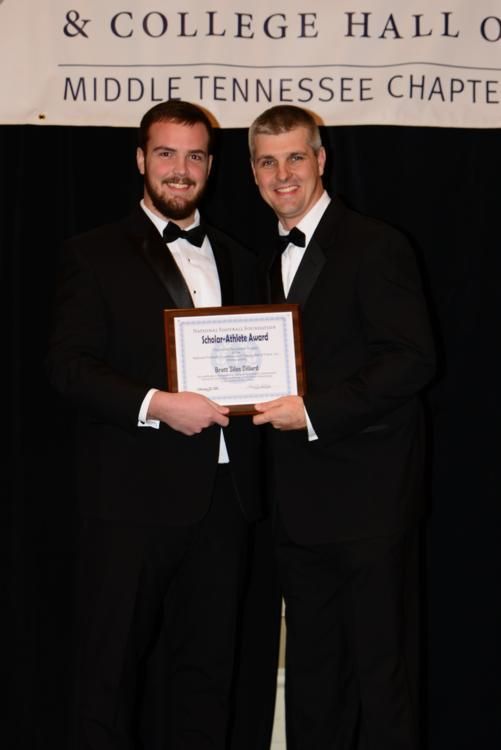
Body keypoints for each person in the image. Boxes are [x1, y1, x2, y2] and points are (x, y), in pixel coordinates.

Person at [46, 100, 264, 750]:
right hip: (131, 499)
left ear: (211, 167)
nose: (180, 169)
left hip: (224, 499)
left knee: (209, 673)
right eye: (166, 153)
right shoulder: (92, 253)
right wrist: (156, 404)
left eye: (195, 156)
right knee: (108, 673)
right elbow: (68, 367)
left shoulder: (242, 259)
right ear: (141, 159)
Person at [248, 104, 436, 749]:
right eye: (267, 162)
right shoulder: (257, 261)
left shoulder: (376, 244)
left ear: (321, 160)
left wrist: (314, 412)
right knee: (313, 676)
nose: (283, 175)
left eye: (295, 158)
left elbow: (412, 360)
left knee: (382, 675)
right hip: (295, 506)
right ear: (252, 172)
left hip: (370, 502)